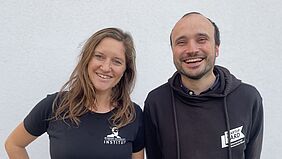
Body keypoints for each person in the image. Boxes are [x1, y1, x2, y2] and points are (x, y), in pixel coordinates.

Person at [5, 27, 144, 159]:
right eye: (99, 56)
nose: (106, 67)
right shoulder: (56, 105)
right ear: (87, 59)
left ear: (126, 70)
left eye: (117, 61)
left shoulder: (132, 115)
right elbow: (14, 144)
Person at [144, 12, 263, 159]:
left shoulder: (248, 99)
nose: (192, 49)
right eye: (181, 42)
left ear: (217, 47)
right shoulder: (156, 102)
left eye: (201, 39)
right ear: (172, 51)